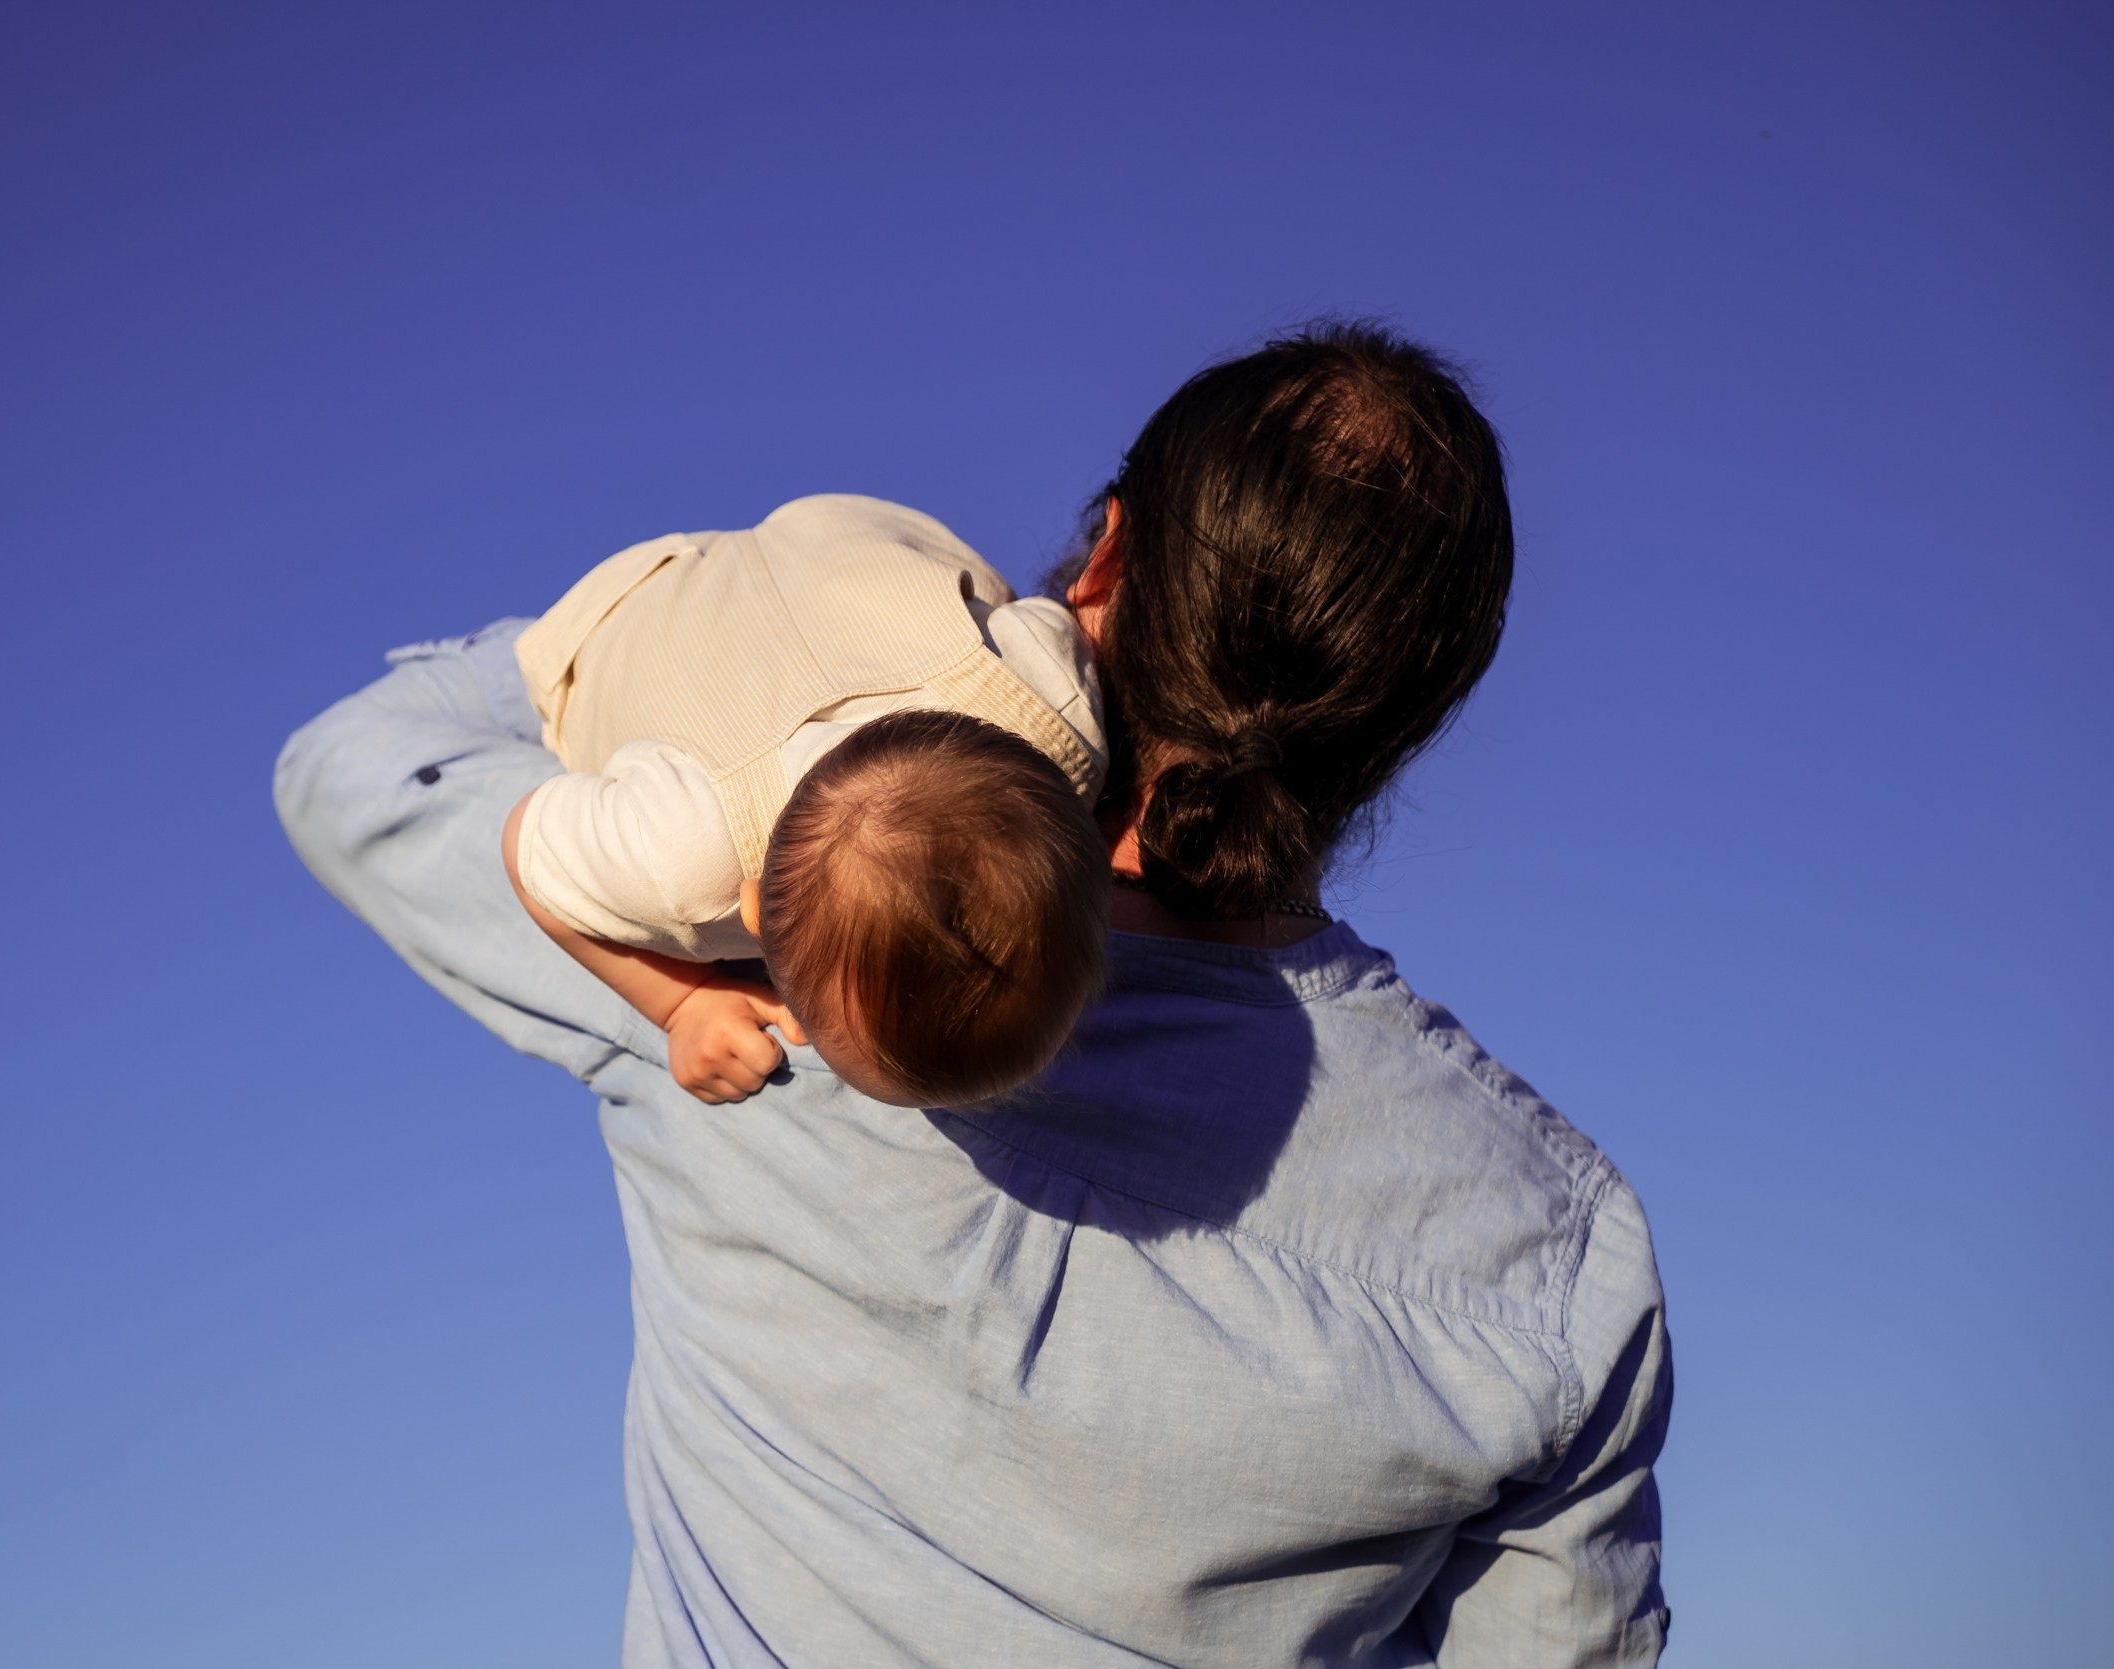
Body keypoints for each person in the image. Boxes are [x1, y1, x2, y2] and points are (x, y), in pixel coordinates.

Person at [275, 322, 1671, 1665]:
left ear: (1106, 553)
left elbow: (355, 769)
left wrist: (704, 628)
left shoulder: (761, 945)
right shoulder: (1554, 1254)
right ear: (1408, 721)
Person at [497, 494, 1110, 1106]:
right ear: (755, 912)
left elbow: (1046, 624)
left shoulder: (1056, 722)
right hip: (617, 612)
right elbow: (524, 840)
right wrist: (684, 1003)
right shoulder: (682, 860)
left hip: (837, 533)